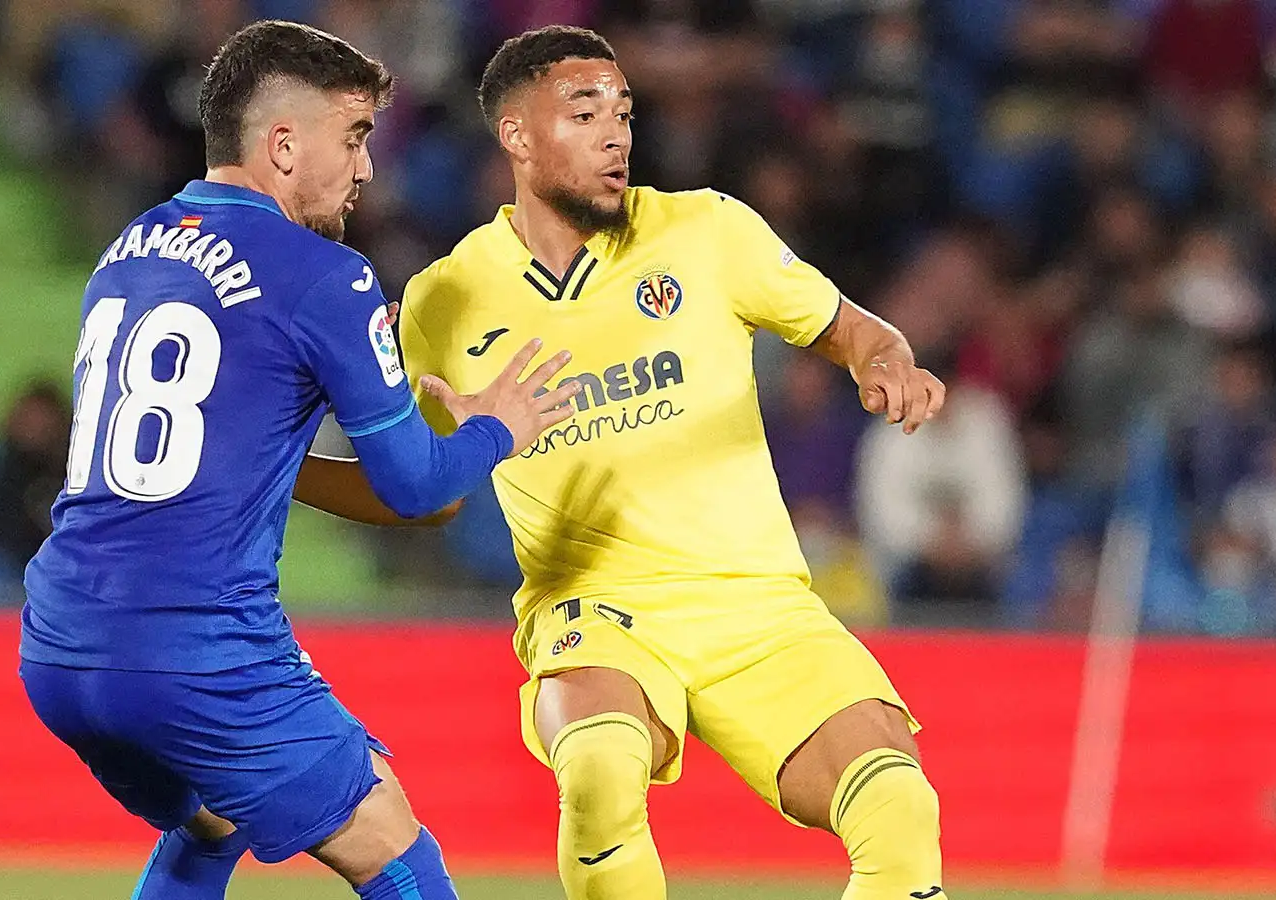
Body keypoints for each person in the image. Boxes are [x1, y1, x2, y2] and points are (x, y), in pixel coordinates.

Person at [17, 21, 579, 900]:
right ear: (283, 145)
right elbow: (417, 485)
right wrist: (498, 426)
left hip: (57, 643)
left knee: (212, 819)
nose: (365, 168)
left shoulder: (128, 251)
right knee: (398, 854)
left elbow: (225, 449)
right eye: (353, 138)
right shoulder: (327, 275)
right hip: (195, 651)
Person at [398, 26, 949, 900]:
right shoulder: (445, 299)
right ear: (517, 135)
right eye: (585, 114)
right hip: (598, 610)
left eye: (623, 112)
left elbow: (853, 328)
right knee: (601, 776)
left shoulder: (709, 231)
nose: (616, 134)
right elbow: (429, 502)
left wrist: (885, 360)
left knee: (900, 813)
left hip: (758, 604)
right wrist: (465, 447)